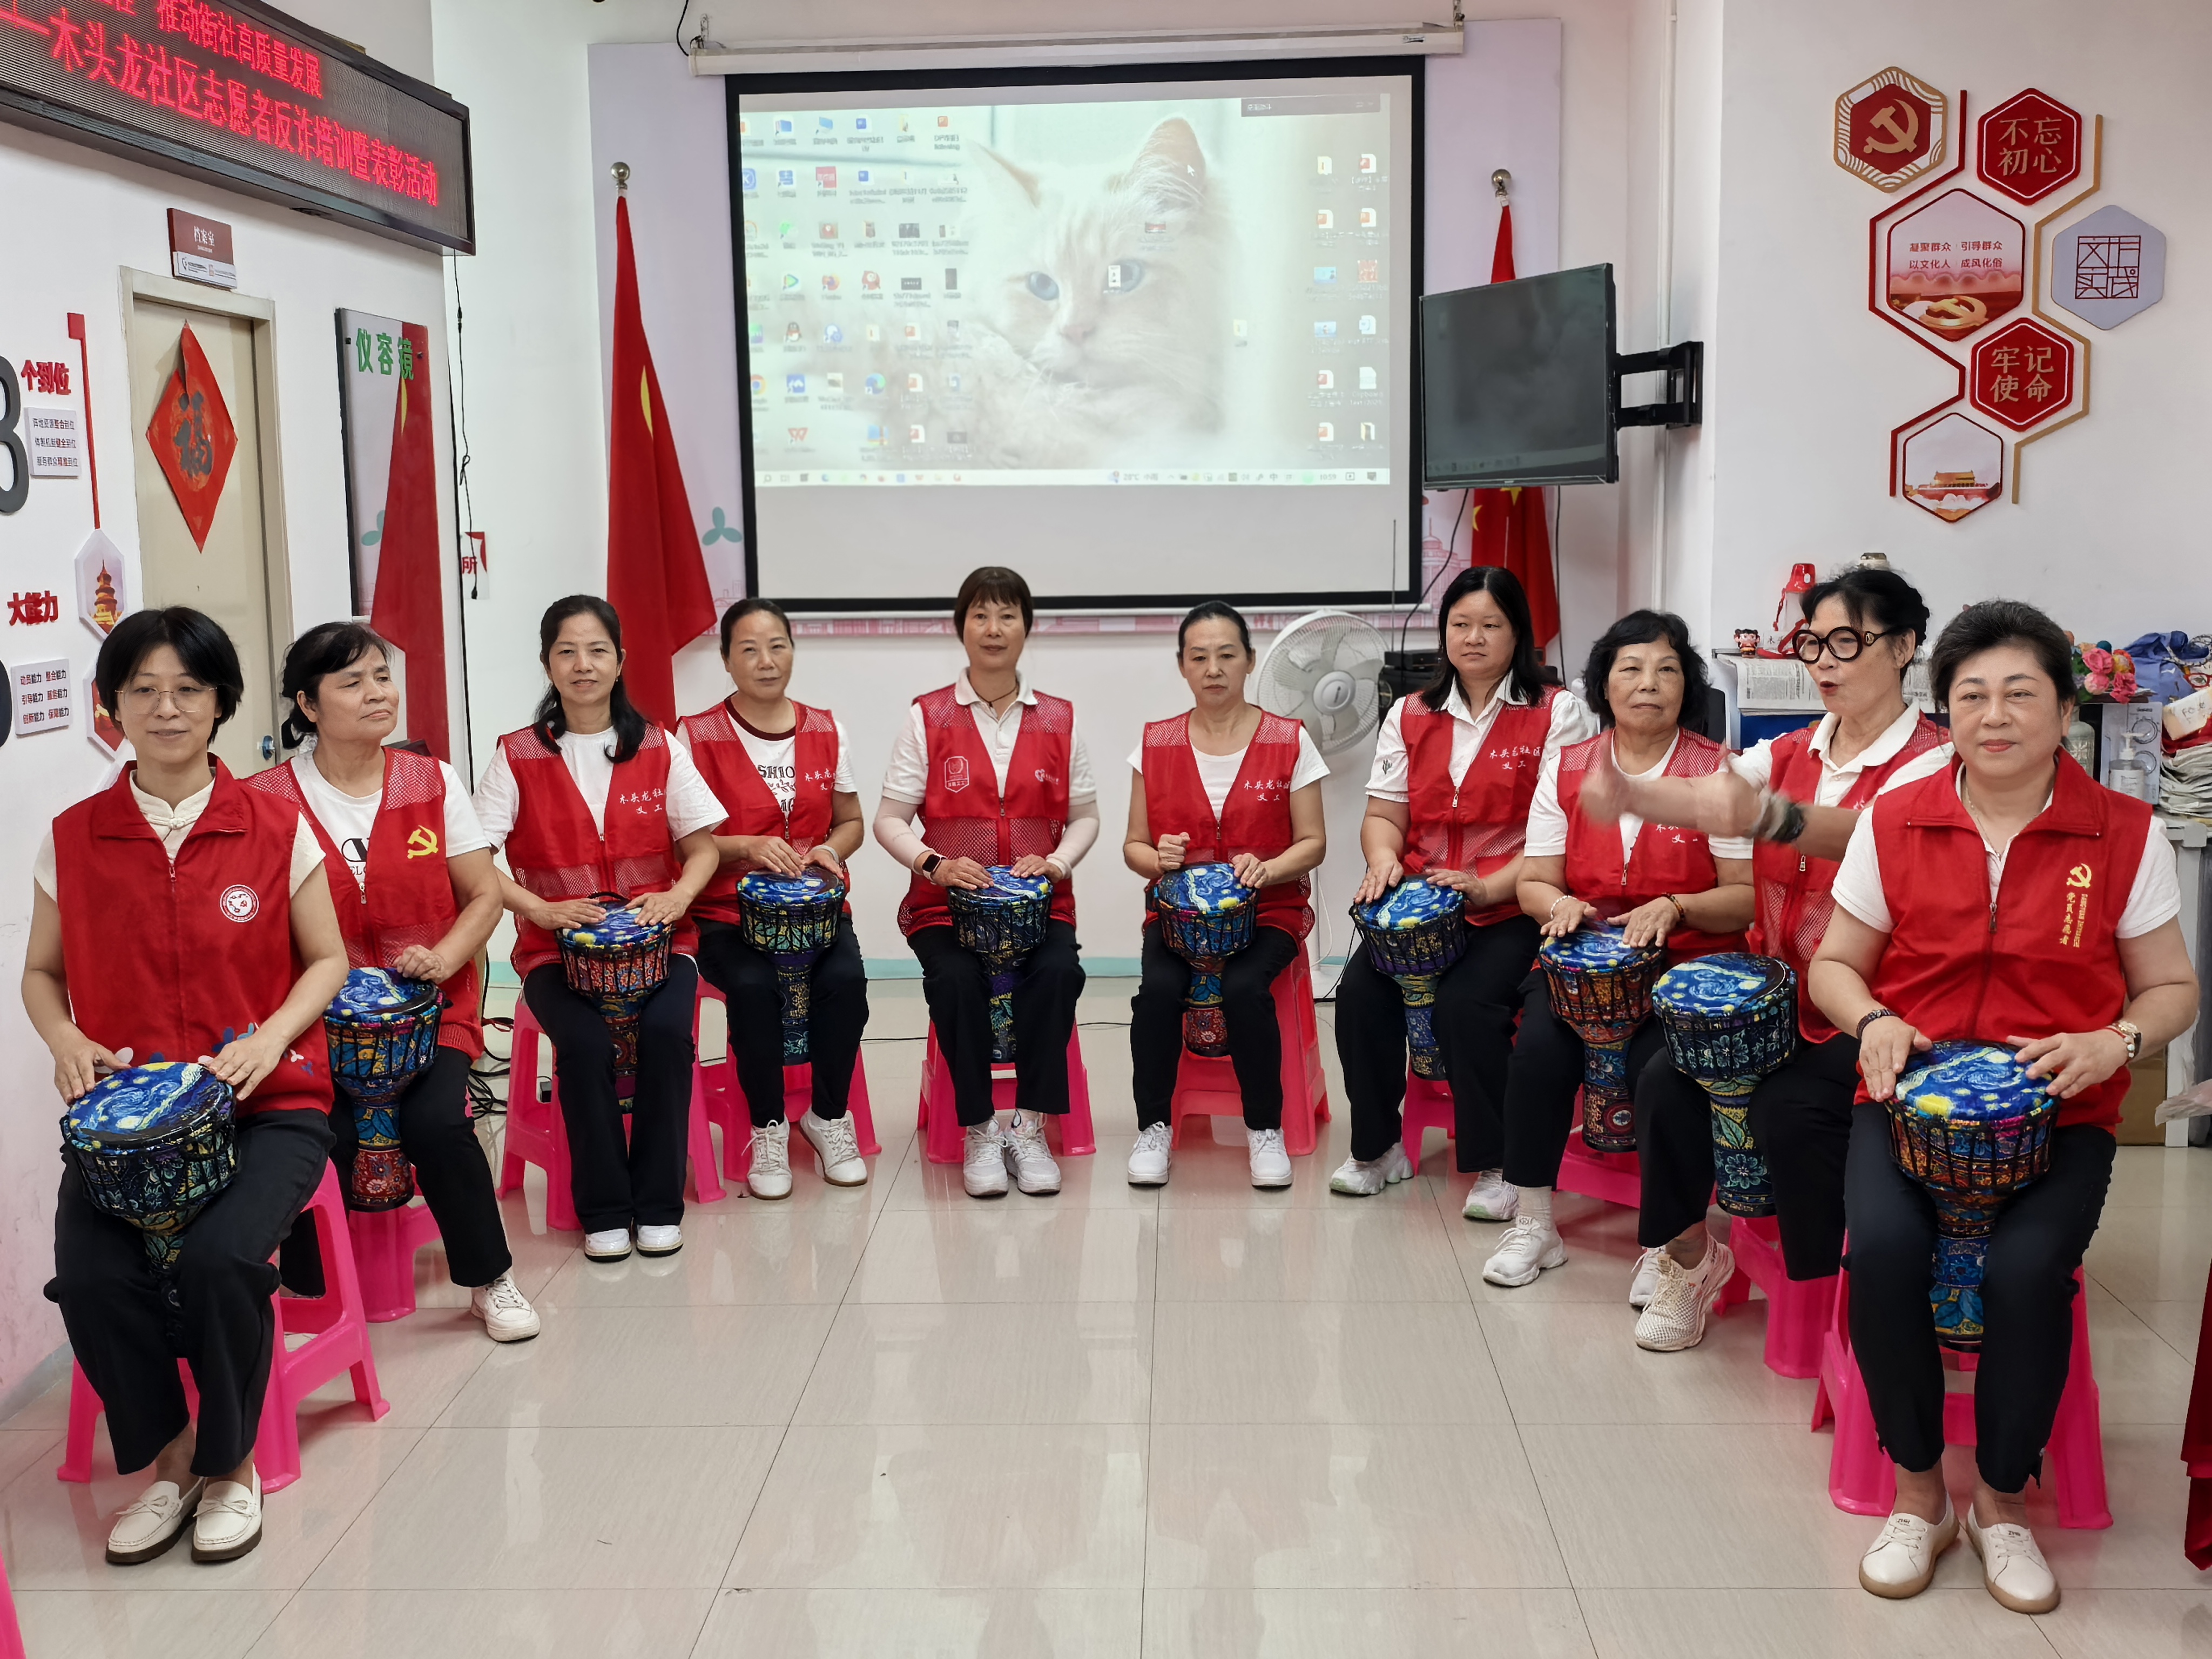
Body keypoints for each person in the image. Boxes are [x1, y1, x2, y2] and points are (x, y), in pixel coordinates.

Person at [1811, 599, 2195, 1614]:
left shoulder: (2125, 833)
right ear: (1947, 712)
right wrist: (1874, 1020)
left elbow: (2171, 990)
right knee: (1883, 1252)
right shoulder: (1895, 817)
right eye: (1972, 695)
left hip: (2061, 1114)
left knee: (2028, 1273)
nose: (1995, 715)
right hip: (1905, 1103)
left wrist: (2114, 1041)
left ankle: (2002, 1503)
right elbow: (1835, 966)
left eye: (2021, 692)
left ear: (2066, 710)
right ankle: (1919, 1494)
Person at [29, 607, 349, 1566]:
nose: (166, 708)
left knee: (219, 1259)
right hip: (131, 1127)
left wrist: (273, 1038)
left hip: (268, 1108)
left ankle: (230, 1466)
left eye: (189, 689)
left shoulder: (276, 826)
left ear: (220, 704)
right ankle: (169, 1458)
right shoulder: (73, 838)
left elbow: (327, 959)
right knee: (91, 1275)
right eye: (144, 690)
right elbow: (41, 973)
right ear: (112, 706)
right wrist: (64, 1037)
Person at [1583, 565, 1952, 1352]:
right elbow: (1714, 795)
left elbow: (1871, 835)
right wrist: (1633, 795)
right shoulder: (1789, 748)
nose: (1823, 662)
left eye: (1846, 642)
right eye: (1812, 643)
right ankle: (1691, 1259)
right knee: (1664, 1079)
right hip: (1782, 997)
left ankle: (1820, 1297)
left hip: (1879, 1007)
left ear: (1903, 648)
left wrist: (1769, 817)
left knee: (1790, 1112)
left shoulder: (1934, 762)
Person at [248, 623, 538, 1341]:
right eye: (353, 682)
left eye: (382, 676)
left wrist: (444, 957)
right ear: (308, 705)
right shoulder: (267, 801)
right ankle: (314, 1295)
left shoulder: (431, 782)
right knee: (317, 1133)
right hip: (319, 1025)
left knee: (437, 1123)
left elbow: (483, 895)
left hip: (431, 1015)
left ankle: (489, 1279)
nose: (378, 693)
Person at [1482, 610, 1755, 1310]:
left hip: (1686, 968)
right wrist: (1559, 906)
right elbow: (1535, 878)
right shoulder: (1570, 766)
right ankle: (1535, 1222)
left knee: (1658, 1071)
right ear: (1603, 684)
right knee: (1536, 1051)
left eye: (1666, 670)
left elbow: (1745, 898)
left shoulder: (1718, 771)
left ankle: (1670, 1245)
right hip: (1582, 964)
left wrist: (1679, 907)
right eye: (1630, 669)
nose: (1648, 684)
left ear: (1687, 686)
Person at [1328, 566, 1595, 1208]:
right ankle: (1377, 1147)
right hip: (1422, 908)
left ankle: (1498, 1164)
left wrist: (1487, 887)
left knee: (1465, 1005)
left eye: (1490, 625)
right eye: (1460, 624)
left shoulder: (1557, 712)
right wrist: (1383, 861)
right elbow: (1384, 816)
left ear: (1517, 633)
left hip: (1512, 906)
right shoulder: (1410, 713)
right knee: (1359, 994)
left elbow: (1559, 836)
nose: (1473, 638)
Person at [474, 596, 722, 1262]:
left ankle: (659, 1204)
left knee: (667, 1034)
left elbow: (702, 848)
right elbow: (474, 864)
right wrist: (539, 910)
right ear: (547, 665)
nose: (582, 665)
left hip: (662, 948)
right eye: (567, 652)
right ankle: (605, 1210)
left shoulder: (660, 746)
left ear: (619, 661)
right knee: (584, 1046)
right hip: (553, 956)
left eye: (597, 651)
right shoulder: (516, 755)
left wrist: (678, 896)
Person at [875, 566, 1098, 1199]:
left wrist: (1055, 864)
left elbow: (1085, 818)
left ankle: (1028, 1126)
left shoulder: (1060, 719)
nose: (993, 628)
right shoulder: (927, 716)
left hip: (1039, 910)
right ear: (961, 628)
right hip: (944, 910)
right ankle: (978, 1127)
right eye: (980, 615)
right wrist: (935, 866)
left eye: (1007, 615)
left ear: (1027, 628)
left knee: (1058, 974)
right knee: (954, 980)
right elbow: (889, 819)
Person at [1123, 601, 1329, 1188]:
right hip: (1178, 921)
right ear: (1182, 667)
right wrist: (1157, 858)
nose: (1213, 669)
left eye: (1226, 655)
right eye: (1199, 657)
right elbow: (1134, 847)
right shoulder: (1155, 743)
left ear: (1250, 661)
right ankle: (1153, 1126)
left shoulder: (1289, 739)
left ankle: (1264, 1128)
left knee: (1243, 989)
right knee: (1157, 993)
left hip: (1270, 913)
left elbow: (1313, 843)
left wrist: (1270, 867)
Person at [677, 598, 869, 1198]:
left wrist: (829, 850)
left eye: (777, 646)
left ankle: (829, 1116)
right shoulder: (694, 736)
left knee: (846, 980)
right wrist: (746, 847)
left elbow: (852, 822)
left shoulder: (826, 729)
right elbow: (679, 842)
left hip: (815, 915)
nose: (766, 661)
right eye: (749, 650)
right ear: (726, 660)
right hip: (726, 916)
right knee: (754, 987)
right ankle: (767, 1127)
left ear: (792, 651)